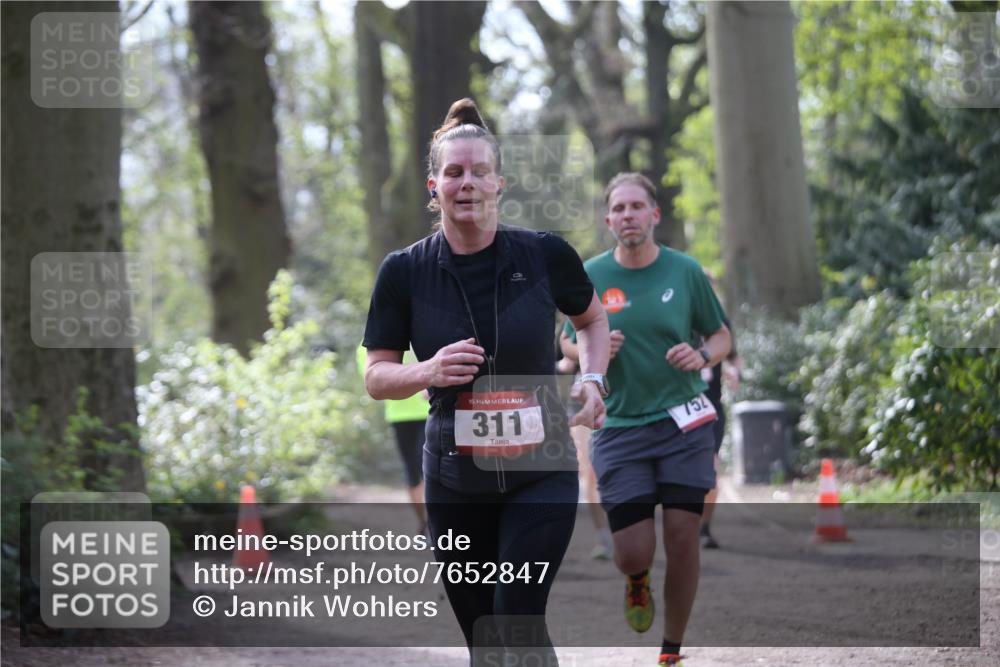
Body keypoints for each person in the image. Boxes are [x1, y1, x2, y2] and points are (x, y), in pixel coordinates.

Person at [362, 98, 610, 666]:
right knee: (484, 638)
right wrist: (426, 371)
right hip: (453, 478)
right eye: (453, 173)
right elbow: (377, 376)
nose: (466, 183)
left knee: (516, 615)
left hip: (539, 469)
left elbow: (592, 320)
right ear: (434, 186)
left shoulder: (546, 255)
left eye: (478, 172)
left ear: (500, 183)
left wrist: (594, 379)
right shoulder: (403, 271)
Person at [562, 172, 731, 667]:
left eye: (637, 207)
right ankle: (637, 581)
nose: (628, 216)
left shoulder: (685, 271)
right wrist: (594, 346)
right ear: (608, 218)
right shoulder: (590, 274)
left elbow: (721, 336)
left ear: (654, 215)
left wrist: (701, 355)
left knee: (683, 535)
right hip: (619, 425)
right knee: (632, 551)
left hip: (684, 424)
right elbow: (565, 343)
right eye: (618, 208)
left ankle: (671, 650)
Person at [356, 344, 431, 532]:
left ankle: (433, 523)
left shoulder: (421, 336)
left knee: (428, 469)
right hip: (399, 417)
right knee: (411, 471)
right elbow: (372, 382)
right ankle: (423, 523)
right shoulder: (367, 347)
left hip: (428, 413)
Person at [697, 273, 742, 550]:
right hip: (676, 405)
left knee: (711, 467)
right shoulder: (674, 319)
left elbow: (733, 354)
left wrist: (735, 370)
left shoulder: (720, 323)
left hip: (712, 405)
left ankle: (704, 527)